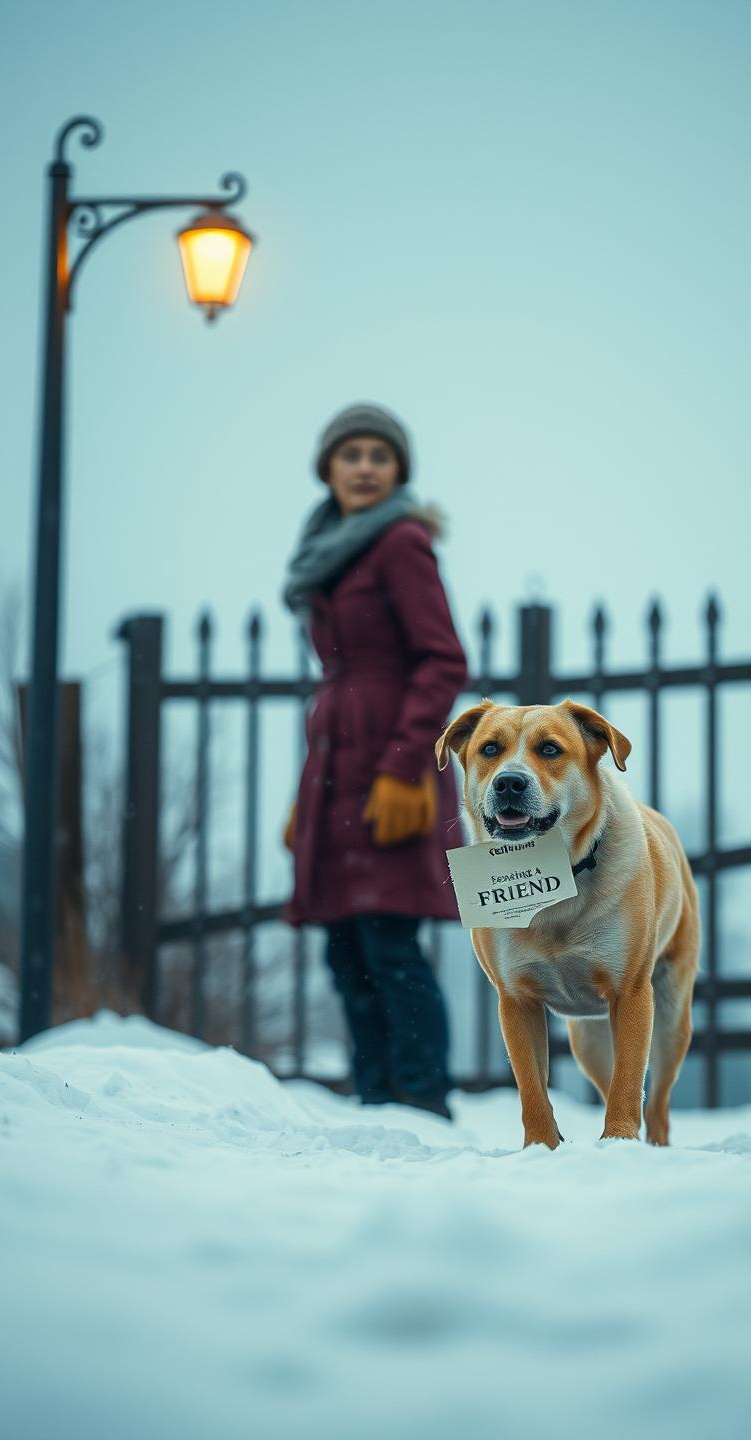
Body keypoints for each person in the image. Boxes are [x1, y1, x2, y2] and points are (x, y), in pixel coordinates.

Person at [282, 403, 468, 1118]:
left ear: (398, 472)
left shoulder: (400, 543)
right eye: (350, 454)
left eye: (379, 456)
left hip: (391, 764)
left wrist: (402, 766)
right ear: (327, 469)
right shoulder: (326, 551)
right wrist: (307, 799)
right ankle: (373, 1101)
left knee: (391, 943)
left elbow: (442, 659)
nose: (364, 467)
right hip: (335, 767)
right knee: (345, 950)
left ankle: (421, 1101)